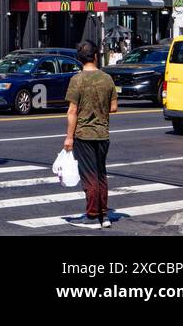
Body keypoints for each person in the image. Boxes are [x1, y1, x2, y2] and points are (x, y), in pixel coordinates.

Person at [64, 39, 117, 229]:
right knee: (101, 174)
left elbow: (72, 111)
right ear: (95, 56)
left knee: (89, 176)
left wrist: (69, 137)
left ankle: (93, 216)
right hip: (103, 134)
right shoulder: (107, 78)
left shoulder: (76, 80)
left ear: (80, 59)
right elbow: (114, 108)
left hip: (84, 134)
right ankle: (105, 215)